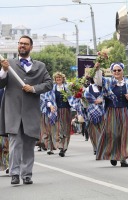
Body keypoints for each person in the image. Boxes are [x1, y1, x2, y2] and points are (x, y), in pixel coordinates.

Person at [0, 35, 53, 185]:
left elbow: (49, 84)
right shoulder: (8, 64)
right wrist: (3, 71)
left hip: (31, 111)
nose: (22, 46)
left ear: (31, 47)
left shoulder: (40, 66)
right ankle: (15, 173)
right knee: (15, 143)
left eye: (25, 44)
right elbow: (0, 83)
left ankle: (27, 174)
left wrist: (34, 88)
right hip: (13, 110)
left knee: (29, 143)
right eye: (20, 43)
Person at [95, 62, 128, 167]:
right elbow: (98, 81)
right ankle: (113, 155)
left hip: (125, 111)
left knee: (125, 135)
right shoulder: (108, 82)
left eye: (119, 70)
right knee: (113, 134)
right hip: (112, 111)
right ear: (111, 72)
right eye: (114, 70)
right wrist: (98, 69)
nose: (116, 72)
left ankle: (123, 158)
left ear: (122, 71)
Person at [44, 72, 81, 157]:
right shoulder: (52, 88)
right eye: (57, 78)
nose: (58, 79)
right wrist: (50, 106)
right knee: (58, 128)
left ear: (63, 79)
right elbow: (47, 99)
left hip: (66, 110)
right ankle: (60, 146)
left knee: (66, 129)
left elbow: (75, 97)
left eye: (60, 78)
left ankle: (64, 148)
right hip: (56, 111)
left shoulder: (68, 87)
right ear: (55, 80)